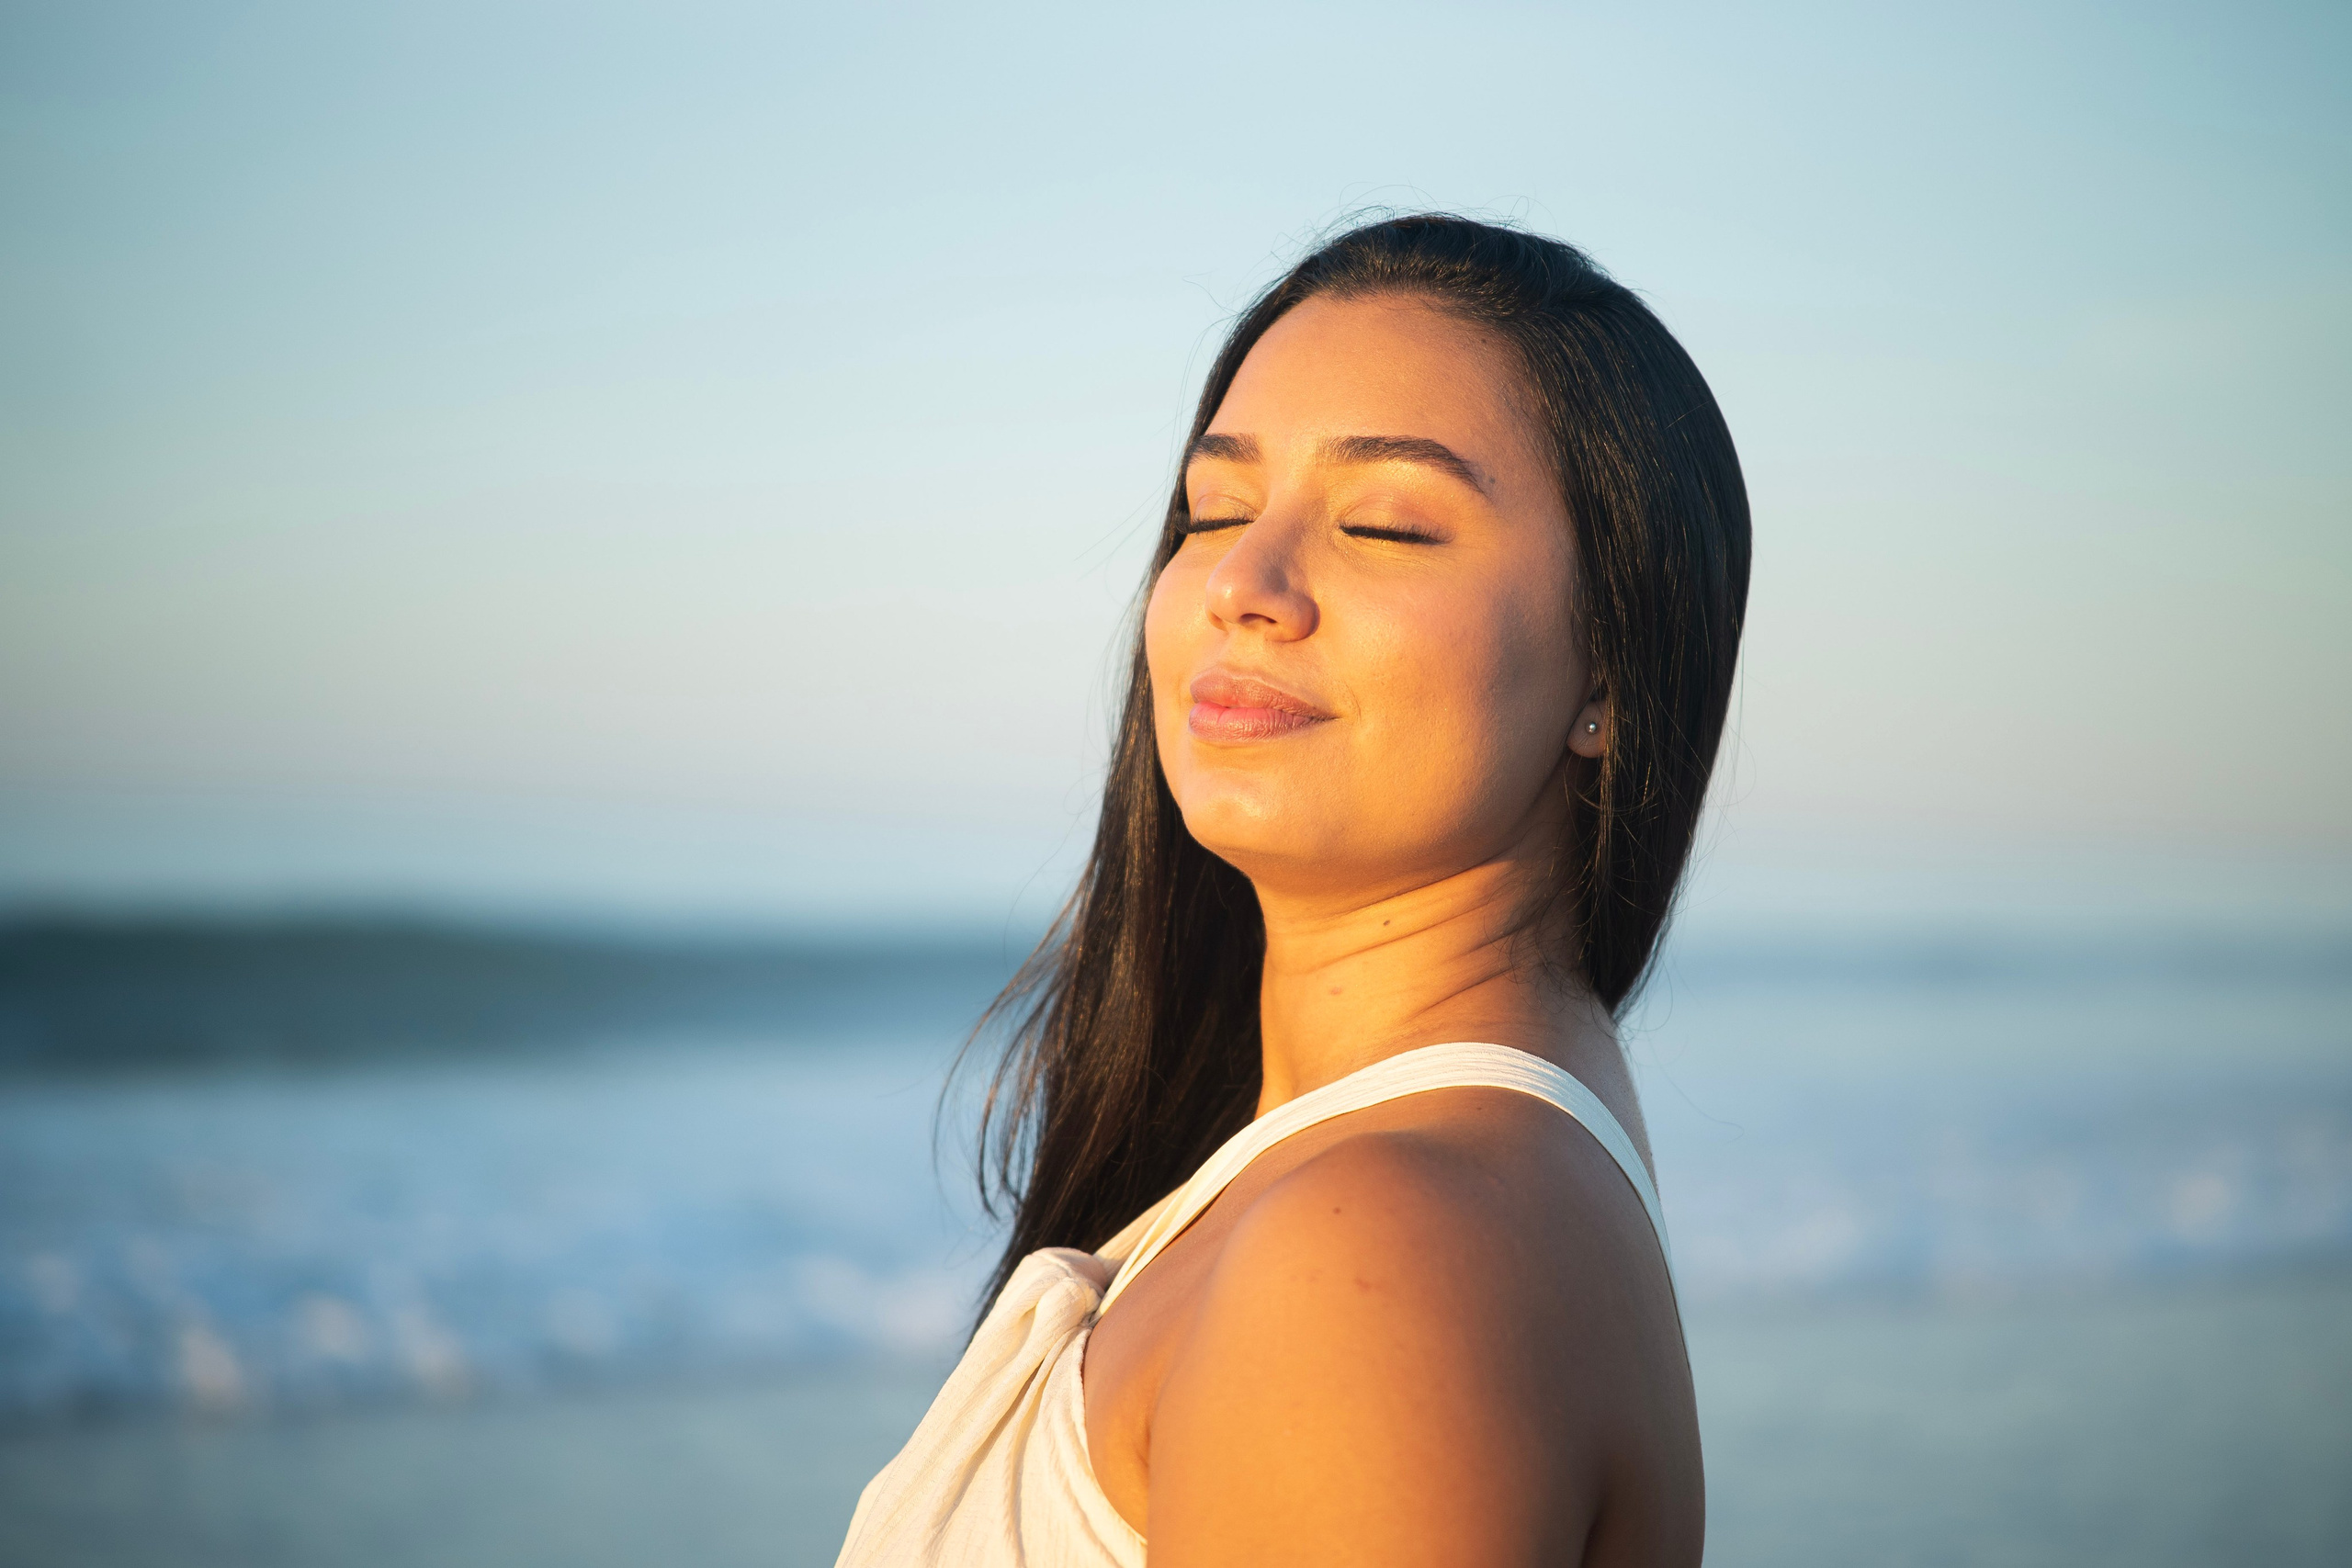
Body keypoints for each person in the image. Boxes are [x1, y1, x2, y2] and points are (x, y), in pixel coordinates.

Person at [838, 213, 1749, 1567]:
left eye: (1383, 523)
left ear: (1609, 676)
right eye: (1213, 510)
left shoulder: (1376, 1243)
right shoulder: (1440, 1173)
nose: (1244, 586)